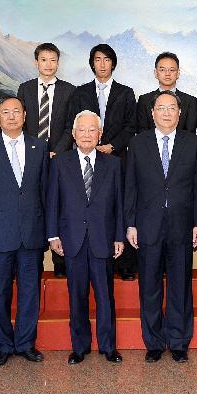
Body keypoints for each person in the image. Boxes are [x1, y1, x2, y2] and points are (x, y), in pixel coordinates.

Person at [125, 91, 197, 363]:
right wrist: (131, 223)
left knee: (180, 285)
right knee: (149, 285)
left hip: (182, 225)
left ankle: (179, 341)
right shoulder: (138, 143)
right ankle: (154, 342)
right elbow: (131, 186)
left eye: (172, 108)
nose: (167, 113)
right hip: (147, 225)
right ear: (152, 113)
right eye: (161, 108)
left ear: (179, 113)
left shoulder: (193, 142)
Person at [0, 96, 49, 366]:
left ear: (25, 115)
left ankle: (26, 343)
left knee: (30, 292)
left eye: (17, 111)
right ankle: (3, 345)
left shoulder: (39, 146)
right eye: (6, 112)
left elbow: (45, 193)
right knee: (0, 293)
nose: (12, 116)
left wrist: (48, 231)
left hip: (32, 233)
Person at [47, 110, 125, 364]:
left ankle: (108, 346)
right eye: (82, 129)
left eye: (93, 130)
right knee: (77, 296)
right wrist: (53, 235)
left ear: (100, 134)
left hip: (103, 240)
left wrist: (118, 237)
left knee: (105, 297)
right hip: (73, 240)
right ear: (73, 133)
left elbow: (119, 204)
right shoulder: (60, 162)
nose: (87, 134)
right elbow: (52, 202)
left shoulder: (113, 164)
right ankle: (79, 347)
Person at [65, 44, 137, 280]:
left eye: (107, 60)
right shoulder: (80, 92)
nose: (102, 64)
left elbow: (131, 127)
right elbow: (73, 126)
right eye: (98, 60)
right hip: (87, 158)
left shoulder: (126, 93)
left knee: (119, 208)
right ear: (92, 63)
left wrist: (110, 146)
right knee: (89, 207)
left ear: (113, 63)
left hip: (116, 159)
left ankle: (125, 264)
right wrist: (92, 147)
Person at [18, 42, 75, 277]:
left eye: (53, 60)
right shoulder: (25, 88)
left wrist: (57, 151)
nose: (48, 65)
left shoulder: (69, 90)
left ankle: (60, 263)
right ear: (36, 62)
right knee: (35, 206)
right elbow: (21, 123)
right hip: (32, 158)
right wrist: (37, 151)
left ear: (58, 63)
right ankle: (36, 260)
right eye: (44, 60)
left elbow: (71, 125)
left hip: (59, 159)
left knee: (59, 206)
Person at [136, 52, 197, 134]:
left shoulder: (190, 101)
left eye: (172, 70)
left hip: (182, 146)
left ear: (178, 73)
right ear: (155, 73)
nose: (167, 74)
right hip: (150, 146)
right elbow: (142, 132)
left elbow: (190, 133)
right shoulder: (144, 100)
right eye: (162, 70)